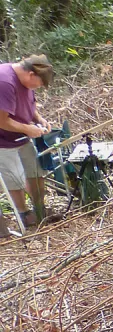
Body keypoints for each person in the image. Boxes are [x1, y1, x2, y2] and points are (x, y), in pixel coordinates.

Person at [0, 54, 52, 236]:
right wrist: (28, 129)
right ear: (31, 74)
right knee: (14, 178)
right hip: (3, 140)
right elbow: (2, 120)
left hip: (21, 136)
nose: (37, 88)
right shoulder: (5, 82)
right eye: (38, 84)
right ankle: (23, 214)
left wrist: (38, 119)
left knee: (35, 171)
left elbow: (29, 103)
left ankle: (40, 209)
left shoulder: (26, 81)